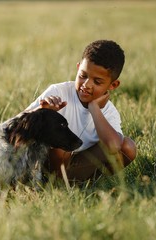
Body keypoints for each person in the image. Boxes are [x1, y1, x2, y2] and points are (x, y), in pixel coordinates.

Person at [25, 40, 137, 182]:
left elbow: (114, 146)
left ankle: (81, 183)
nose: (86, 85)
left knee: (128, 148)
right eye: (83, 75)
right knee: (62, 144)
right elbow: (17, 124)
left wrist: (94, 107)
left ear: (113, 85)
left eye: (97, 82)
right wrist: (42, 111)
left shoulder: (109, 112)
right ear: (78, 68)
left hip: (78, 166)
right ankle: (54, 183)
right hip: (46, 165)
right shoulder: (58, 92)